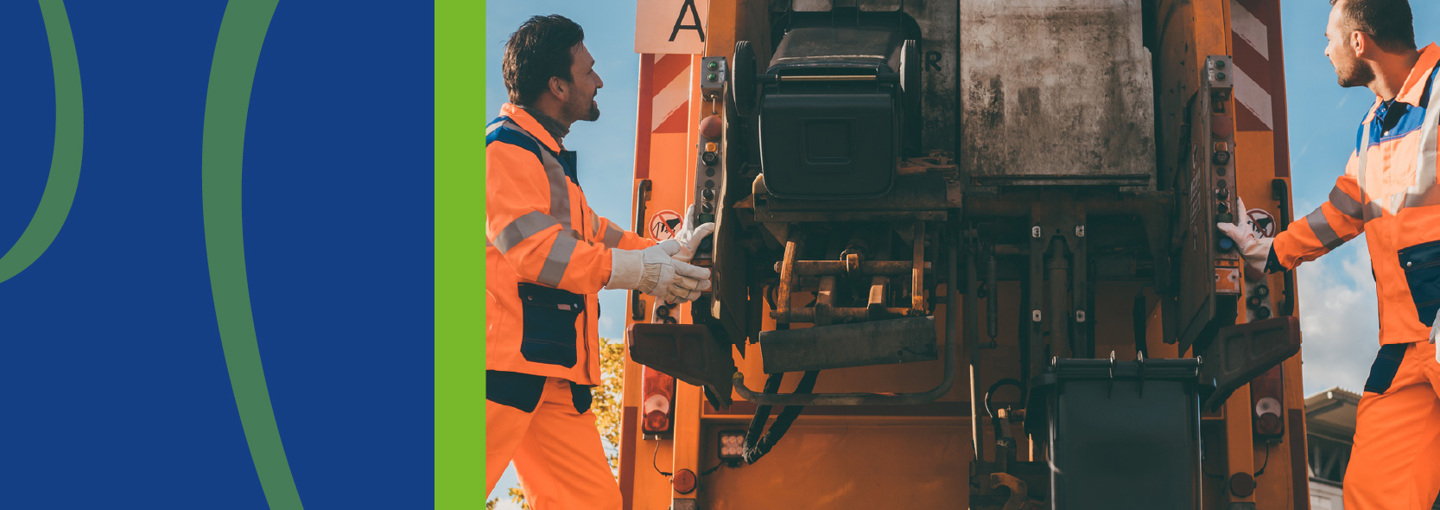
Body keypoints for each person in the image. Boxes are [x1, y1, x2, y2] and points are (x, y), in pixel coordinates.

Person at [484, 14, 715, 509]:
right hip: (495, 368)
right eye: (588, 71)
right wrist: (639, 272)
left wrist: (667, 252)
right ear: (557, 86)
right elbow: (536, 252)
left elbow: (599, 236)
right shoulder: (503, 150)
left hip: (547, 372)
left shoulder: (547, 162)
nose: (599, 82)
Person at [1219, 0, 1440, 507]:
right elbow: (1343, 210)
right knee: (1373, 495)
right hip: (1406, 348)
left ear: (1358, 42)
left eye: (1328, 38)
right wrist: (1268, 251)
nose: (1324, 50)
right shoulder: (1374, 127)